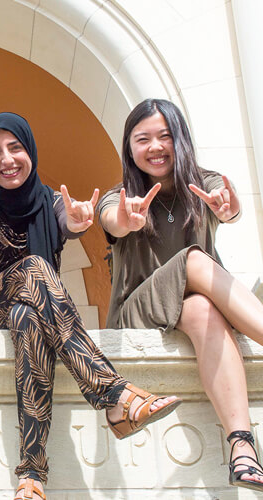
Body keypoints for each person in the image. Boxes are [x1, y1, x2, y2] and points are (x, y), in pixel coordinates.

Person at [0, 112, 181, 500]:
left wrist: (76, 224)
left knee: (27, 317)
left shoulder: (51, 202)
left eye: (16, 148)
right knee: (35, 268)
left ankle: (32, 475)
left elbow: (67, 220)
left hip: (34, 312)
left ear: (31, 152)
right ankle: (115, 395)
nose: (7, 159)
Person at [98, 98, 263, 492]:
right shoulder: (119, 195)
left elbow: (226, 200)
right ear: (130, 147)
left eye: (164, 136)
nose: (155, 146)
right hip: (137, 310)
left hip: (186, 307)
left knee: (203, 308)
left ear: (180, 140)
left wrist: (228, 209)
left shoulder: (204, 183)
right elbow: (111, 220)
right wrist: (126, 218)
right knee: (194, 260)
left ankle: (242, 448)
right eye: (143, 139)